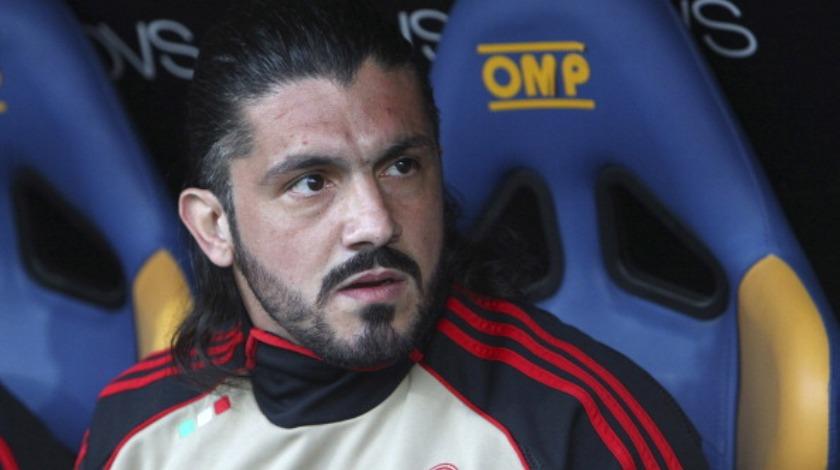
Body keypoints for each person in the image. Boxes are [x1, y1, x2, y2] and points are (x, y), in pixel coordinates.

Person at [76, 1, 707, 468]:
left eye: (400, 167)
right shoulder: (138, 432)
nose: (375, 223)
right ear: (215, 226)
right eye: (311, 182)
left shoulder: (580, 422)